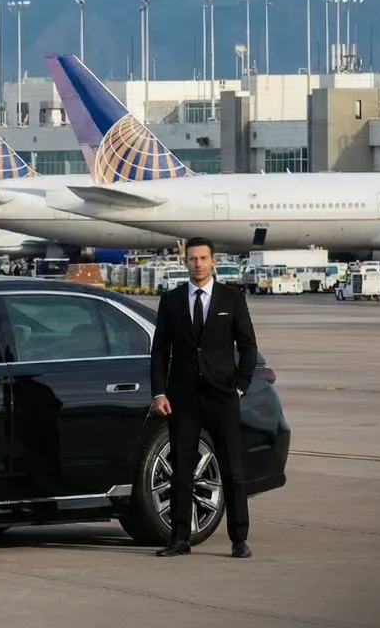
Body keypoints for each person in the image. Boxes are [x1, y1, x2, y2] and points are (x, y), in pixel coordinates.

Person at [150, 236, 258, 559]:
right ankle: (180, 538)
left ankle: (239, 538)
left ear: (214, 261)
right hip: (182, 398)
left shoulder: (232, 298)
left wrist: (240, 385)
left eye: (203, 258)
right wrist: (159, 391)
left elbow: (248, 347)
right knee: (182, 469)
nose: (198, 264)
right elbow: (159, 352)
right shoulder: (170, 301)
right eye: (192, 259)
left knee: (233, 470)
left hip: (223, 395)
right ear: (185, 262)